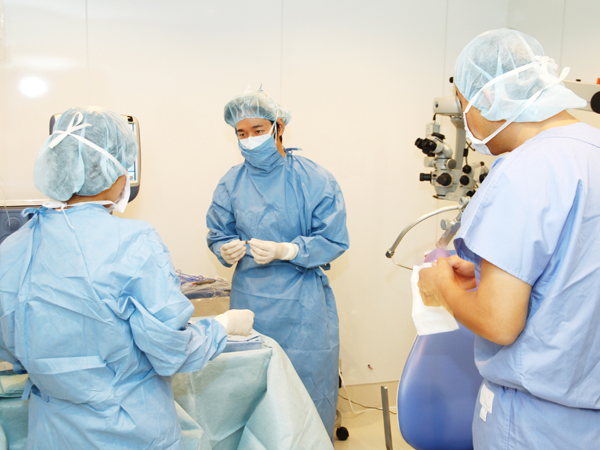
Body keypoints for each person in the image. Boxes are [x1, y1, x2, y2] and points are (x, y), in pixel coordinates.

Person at [0, 106, 254, 450]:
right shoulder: (133, 242)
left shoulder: (15, 247)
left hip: (53, 432)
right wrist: (221, 326)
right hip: (128, 431)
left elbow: (12, 348)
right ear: (114, 173)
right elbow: (171, 351)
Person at [418, 29, 600, 449]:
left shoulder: (523, 170)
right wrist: (487, 274)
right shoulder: (591, 149)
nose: (467, 122)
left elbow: (499, 323)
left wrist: (442, 285)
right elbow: (572, 276)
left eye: (464, 106)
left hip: (536, 424)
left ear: (489, 98)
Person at [206, 90, 349, 438]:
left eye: (258, 130)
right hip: (251, 302)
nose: (249, 139)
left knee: (307, 390)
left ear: (278, 126)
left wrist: (288, 250)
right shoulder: (231, 182)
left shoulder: (315, 179)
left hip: (303, 308)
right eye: (241, 133)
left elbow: (334, 240)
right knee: (253, 389)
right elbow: (218, 232)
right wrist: (224, 248)